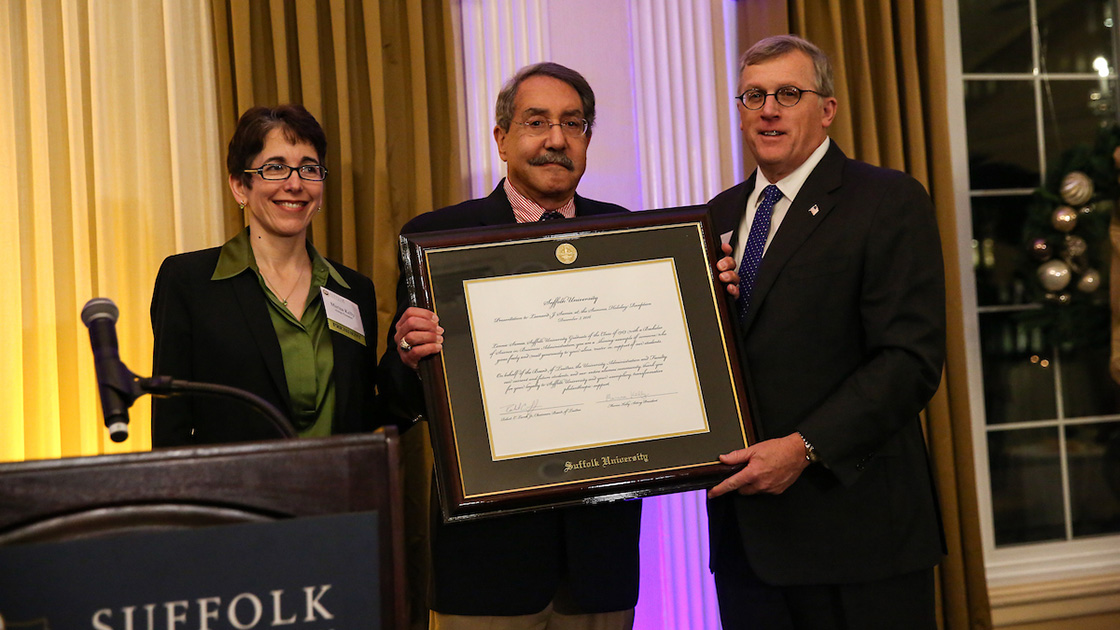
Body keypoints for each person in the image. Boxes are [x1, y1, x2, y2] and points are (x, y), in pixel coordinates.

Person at [378, 62, 641, 629]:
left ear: (588, 140)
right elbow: (399, 400)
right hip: (484, 565)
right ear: (501, 139)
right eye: (536, 122)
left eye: (573, 124)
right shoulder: (436, 240)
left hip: (599, 562)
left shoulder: (627, 233)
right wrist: (406, 356)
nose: (555, 139)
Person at [706, 35, 947, 629]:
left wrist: (803, 447)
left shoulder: (887, 200)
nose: (768, 109)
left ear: (828, 109)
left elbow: (909, 360)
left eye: (789, 93)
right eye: (753, 95)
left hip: (857, 535)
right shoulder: (714, 216)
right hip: (748, 544)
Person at [151, 104, 381, 446]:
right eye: (275, 168)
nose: (294, 184)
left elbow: (366, 417)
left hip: (341, 496)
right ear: (240, 187)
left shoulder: (354, 291)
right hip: (235, 497)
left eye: (308, 169)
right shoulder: (189, 283)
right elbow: (171, 427)